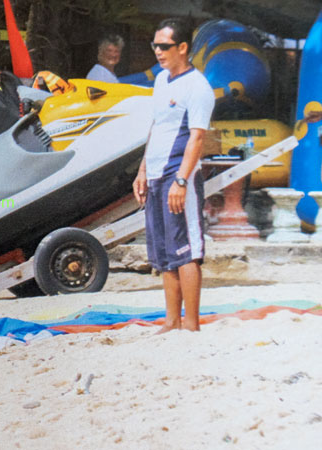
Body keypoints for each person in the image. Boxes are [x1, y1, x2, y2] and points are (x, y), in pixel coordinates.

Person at [132, 18, 215, 334]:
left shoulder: (198, 86)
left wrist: (181, 180)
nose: (157, 51)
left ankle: (191, 325)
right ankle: (171, 321)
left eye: (164, 46)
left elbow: (196, 138)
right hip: (155, 173)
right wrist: (142, 171)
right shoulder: (162, 81)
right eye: (154, 45)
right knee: (164, 251)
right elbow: (156, 127)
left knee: (186, 250)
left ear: (182, 48)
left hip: (179, 174)